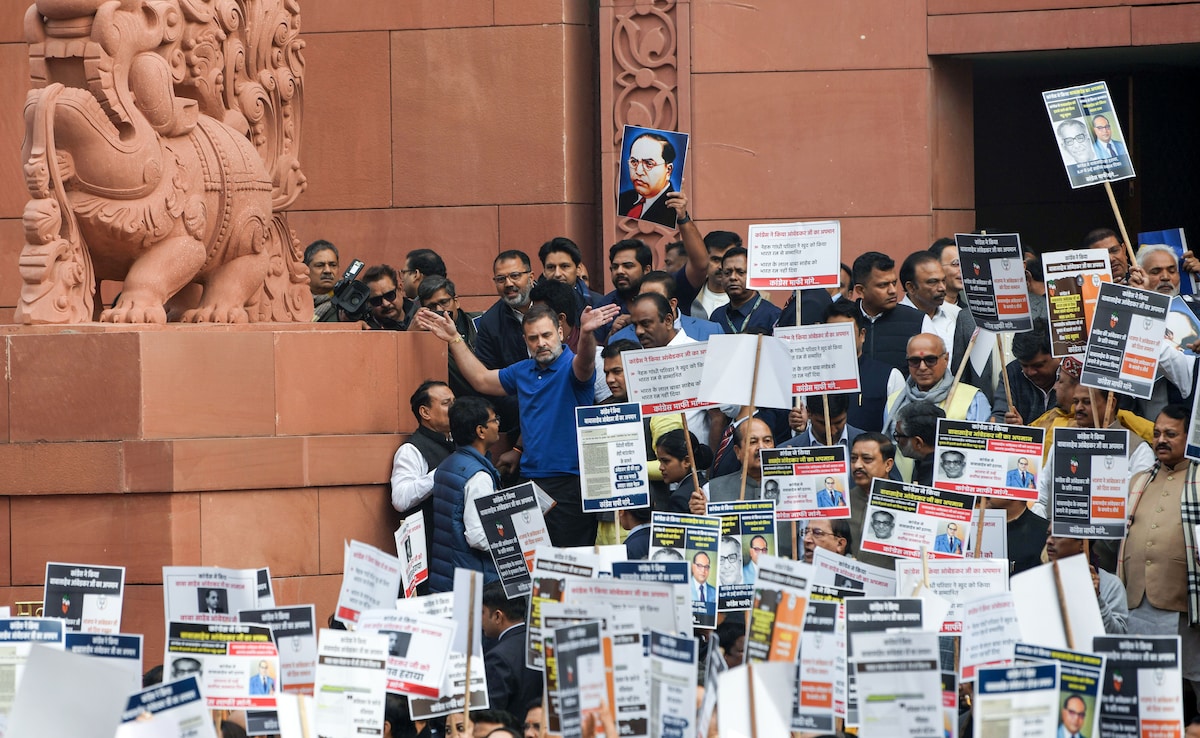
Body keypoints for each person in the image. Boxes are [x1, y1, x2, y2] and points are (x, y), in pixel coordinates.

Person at [417, 302, 620, 546]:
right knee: (528, 558)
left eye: (546, 335)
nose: (541, 343)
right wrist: (454, 339)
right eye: (533, 338)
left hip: (569, 482)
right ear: (525, 340)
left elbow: (586, 363)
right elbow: (481, 379)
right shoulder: (523, 370)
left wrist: (586, 333)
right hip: (529, 481)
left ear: (560, 332)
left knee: (568, 560)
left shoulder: (571, 366)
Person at [1120, 404, 1200, 703]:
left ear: (1189, 437)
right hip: (1137, 601)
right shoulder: (1139, 480)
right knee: (1144, 690)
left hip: (1185, 602)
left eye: (1170, 434)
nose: (1161, 440)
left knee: (1194, 681)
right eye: (1156, 434)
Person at [427, 396, 503, 593]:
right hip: (472, 582)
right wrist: (517, 534)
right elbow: (478, 536)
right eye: (494, 420)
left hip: (448, 574)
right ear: (480, 431)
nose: (497, 425)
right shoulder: (479, 477)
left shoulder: (447, 464)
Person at [390, 380, 456, 593]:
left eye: (455, 402)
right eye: (446, 403)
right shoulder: (411, 450)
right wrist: (441, 473)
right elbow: (400, 499)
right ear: (425, 412)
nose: (454, 408)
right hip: (428, 553)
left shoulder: (457, 443)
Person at [883, 333, 989, 438]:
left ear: (946, 359)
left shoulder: (973, 400)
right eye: (915, 361)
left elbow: (982, 444)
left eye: (930, 360)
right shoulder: (894, 401)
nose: (922, 367)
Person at [851, 252, 932, 375]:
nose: (893, 291)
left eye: (894, 283)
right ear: (860, 290)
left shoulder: (918, 320)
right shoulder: (844, 321)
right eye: (883, 285)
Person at [605, 270, 722, 348]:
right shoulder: (619, 339)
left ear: (672, 304)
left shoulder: (711, 331)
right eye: (641, 298)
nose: (645, 304)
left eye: (654, 298)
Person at [1046, 525, 1128, 634]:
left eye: (1058, 535)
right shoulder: (1038, 581)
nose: (1049, 541)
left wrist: (1097, 599)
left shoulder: (1110, 585)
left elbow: (1117, 636)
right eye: (1048, 534)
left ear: (1082, 543)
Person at [481, 582, 541, 720]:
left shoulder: (498, 658)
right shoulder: (539, 641)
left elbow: (491, 715)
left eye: (482, 612)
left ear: (497, 616)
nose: (480, 619)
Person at [416, 277, 479, 400]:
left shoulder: (480, 322)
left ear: (456, 301)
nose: (439, 310)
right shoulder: (425, 336)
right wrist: (411, 333)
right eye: (431, 306)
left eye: (444, 302)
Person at [992, 319, 1060, 425]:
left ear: (1057, 355)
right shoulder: (1010, 373)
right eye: (1024, 365)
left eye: (1038, 365)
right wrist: (1010, 426)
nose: (1030, 372)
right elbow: (999, 416)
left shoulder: (1074, 375)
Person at [848, 432, 898, 568]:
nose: (857, 465)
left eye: (867, 459)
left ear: (888, 465)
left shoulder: (905, 503)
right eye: (853, 459)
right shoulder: (843, 501)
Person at [709, 247, 781, 334]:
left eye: (740, 272)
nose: (733, 277)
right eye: (727, 273)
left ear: (753, 275)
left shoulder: (773, 316)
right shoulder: (717, 316)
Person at [595, 239, 654, 343]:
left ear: (646, 270)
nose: (619, 271)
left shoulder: (662, 298)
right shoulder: (603, 307)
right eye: (615, 267)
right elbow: (596, 350)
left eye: (628, 266)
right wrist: (612, 335)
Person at [619, 131, 678, 227]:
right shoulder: (622, 200)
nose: (638, 171)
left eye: (649, 164)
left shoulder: (676, 209)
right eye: (634, 162)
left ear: (668, 170)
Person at [655, 428, 713, 514]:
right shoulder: (708, 486)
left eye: (666, 461)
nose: (661, 467)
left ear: (687, 461)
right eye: (660, 461)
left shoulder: (679, 499)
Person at [782, 392, 865, 449]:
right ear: (808, 413)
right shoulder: (786, 451)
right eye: (823, 423)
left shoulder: (868, 444)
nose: (832, 431)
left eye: (838, 422)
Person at [892, 400, 946, 486]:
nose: (896, 440)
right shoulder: (932, 467)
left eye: (898, 435)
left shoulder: (930, 481)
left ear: (918, 442)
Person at [539, 237, 597, 308]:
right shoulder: (534, 303)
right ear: (544, 271)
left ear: (578, 269)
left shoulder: (597, 303)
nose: (557, 274)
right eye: (551, 267)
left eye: (564, 266)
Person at [397, 249, 447, 328]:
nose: (402, 279)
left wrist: (410, 332)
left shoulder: (418, 313)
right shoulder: (450, 302)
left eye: (404, 273)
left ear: (416, 274)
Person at [305, 240, 341, 322]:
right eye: (320, 265)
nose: (327, 270)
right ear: (306, 270)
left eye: (333, 265)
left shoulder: (347, 302)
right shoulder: (294, 301)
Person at [362, 264, 406, 330]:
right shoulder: (366, 328)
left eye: (389, 295)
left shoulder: (419, 315)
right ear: (368, 303)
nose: (385, 304)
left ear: (400, 290)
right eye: (376, 300)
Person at [930, 238, 963, 307]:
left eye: (964, 264)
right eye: (956, 264)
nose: (962, 269)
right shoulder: (923, 309)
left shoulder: (969, 311)